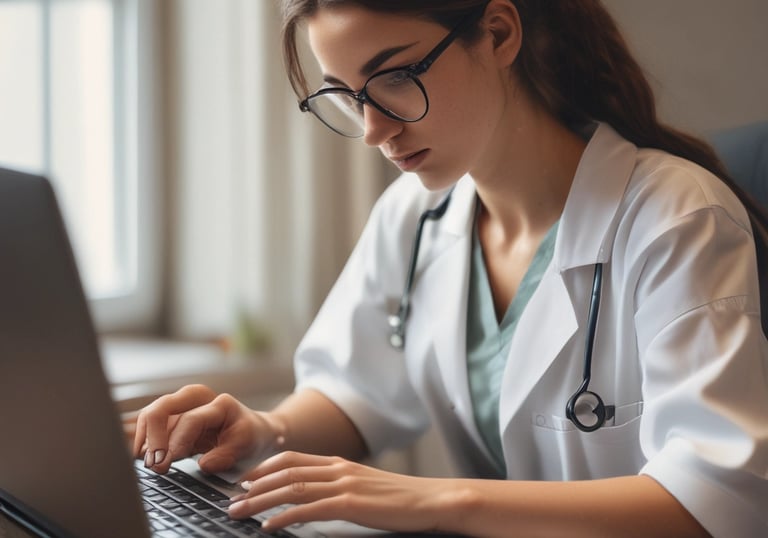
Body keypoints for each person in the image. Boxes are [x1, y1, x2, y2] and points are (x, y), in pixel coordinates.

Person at [126, 1, 768, 536]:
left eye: (395, 77)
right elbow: (358, 391)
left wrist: (439, 500)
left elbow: (716, 499)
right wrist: (268, 429)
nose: (375, 130)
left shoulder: (677, 219)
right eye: (349, 96)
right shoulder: (417, 213)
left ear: (498, 34)